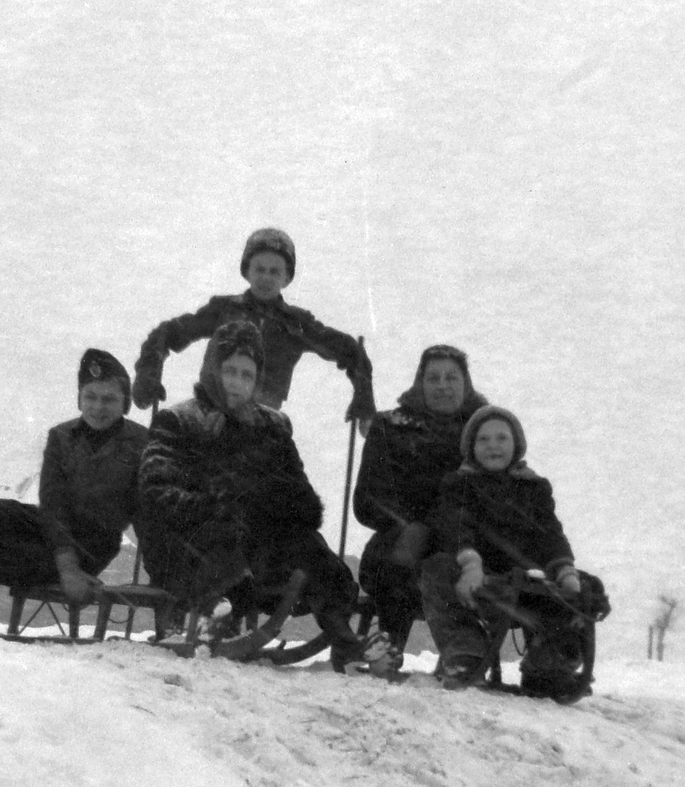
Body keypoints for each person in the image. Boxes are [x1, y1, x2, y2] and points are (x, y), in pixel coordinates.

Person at [137, 319, 392, 672]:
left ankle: (342, 634)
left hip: (260, 543)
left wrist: (263, 490)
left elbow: (303, 500)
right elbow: (156, 492)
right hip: (193, 540)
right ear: (213, 369)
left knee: (308, 544)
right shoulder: (179, 420)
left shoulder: (272, 426)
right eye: (229, 371)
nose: (237, 383)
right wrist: (218, 499)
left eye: (246, 374)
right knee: (217, 539)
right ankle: (209, 620)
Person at [0, 349, 148, 625]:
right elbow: (52, 503)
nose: (98, 407)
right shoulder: (62, 436)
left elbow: (148, 514)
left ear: (124, 403)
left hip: (91, 546)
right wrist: (65, 568)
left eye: (109, 399)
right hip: (51, 528)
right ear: (79, 399)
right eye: (90, 397)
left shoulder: (142, 444)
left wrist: (160, 581)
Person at [420, 405, 590, 696]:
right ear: (471, 447)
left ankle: (548, 662)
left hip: (523, 578)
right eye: (483, 440)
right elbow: (456, 527)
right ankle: (465, 649)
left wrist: (565, 569)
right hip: (475, 575)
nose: (493, 446)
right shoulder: (458, 483)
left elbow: (550, 534)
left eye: (501, 438)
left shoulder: (534, 488)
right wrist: (471, 564)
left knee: (580, 589)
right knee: (436, 568)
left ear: (516, 445)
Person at [130, 228, 376, 426]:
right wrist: (148, 374)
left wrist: (363, 399)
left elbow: (350, 350)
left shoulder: (296, 323)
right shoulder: (223, 310)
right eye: (259, 269)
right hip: (209, 417)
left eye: (275, 271)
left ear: (287, 278)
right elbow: (166, 334)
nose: (266, 278)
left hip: (261, 423)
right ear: (246, 271)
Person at [352, 344, 489, 667]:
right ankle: (388, 643)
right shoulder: (390, 428)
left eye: (452, 377)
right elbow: (367, 500)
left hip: (463, 544)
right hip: (399, 544)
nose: (443, 385)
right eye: (434, 378)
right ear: (420, 382)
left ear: (465, 383)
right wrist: (412, 522)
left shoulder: (485, 433)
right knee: (410, 543)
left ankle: (465, 653)